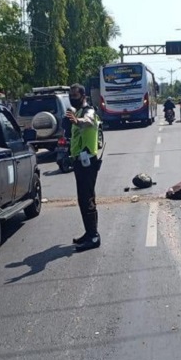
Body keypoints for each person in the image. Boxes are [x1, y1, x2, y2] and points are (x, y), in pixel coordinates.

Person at [65, 83, 102, 252]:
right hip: (79, 162)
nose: (73, 99)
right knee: (83, 199)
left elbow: (87, 122)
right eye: (71, 96)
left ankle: (93, 236)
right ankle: (89, 233)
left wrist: (77, 120)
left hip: (88, 162)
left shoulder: (89, 112)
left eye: (76, 96)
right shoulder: (77, 112)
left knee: (87, 199)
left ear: (83, 96)